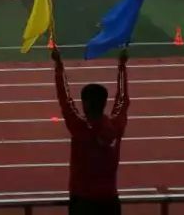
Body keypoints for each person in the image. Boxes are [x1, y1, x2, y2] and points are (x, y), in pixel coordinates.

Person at [52, 47, 129, 214]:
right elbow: (122, 99)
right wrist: (122, 66)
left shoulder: (80, 128)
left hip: (83, 202)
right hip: (109, 201)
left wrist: (59, 66)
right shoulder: (115, 126)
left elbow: (65, 101)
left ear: (86, 104)